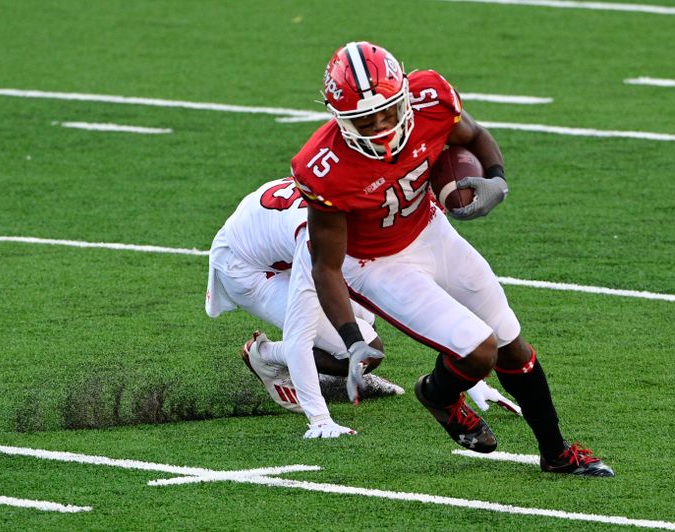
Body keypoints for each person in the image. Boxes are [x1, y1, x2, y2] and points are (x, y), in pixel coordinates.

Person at [290, 41, 613, 475]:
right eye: (365, 120)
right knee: (480, 351)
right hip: (374, 263)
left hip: (429, 229)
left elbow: (475, 136)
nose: (383, 125)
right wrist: (352, 340)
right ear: (341, 119)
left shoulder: (431, 98)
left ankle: (555, 453)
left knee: (512, 347)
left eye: (388, 111)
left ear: (404, 94)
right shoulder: (322, 167)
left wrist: (496, 179)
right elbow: (326, 265)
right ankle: (438, 394)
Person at [206, 177, 520, 438]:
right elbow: (299, 334)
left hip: (273, 240)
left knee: (368, 314)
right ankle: (265, 356)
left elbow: (421, 303)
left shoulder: (360, 207)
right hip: (246, 267)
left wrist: (472, 379)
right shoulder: (317, 238)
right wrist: (320, 420)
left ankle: (317, 369)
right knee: (363, 348)